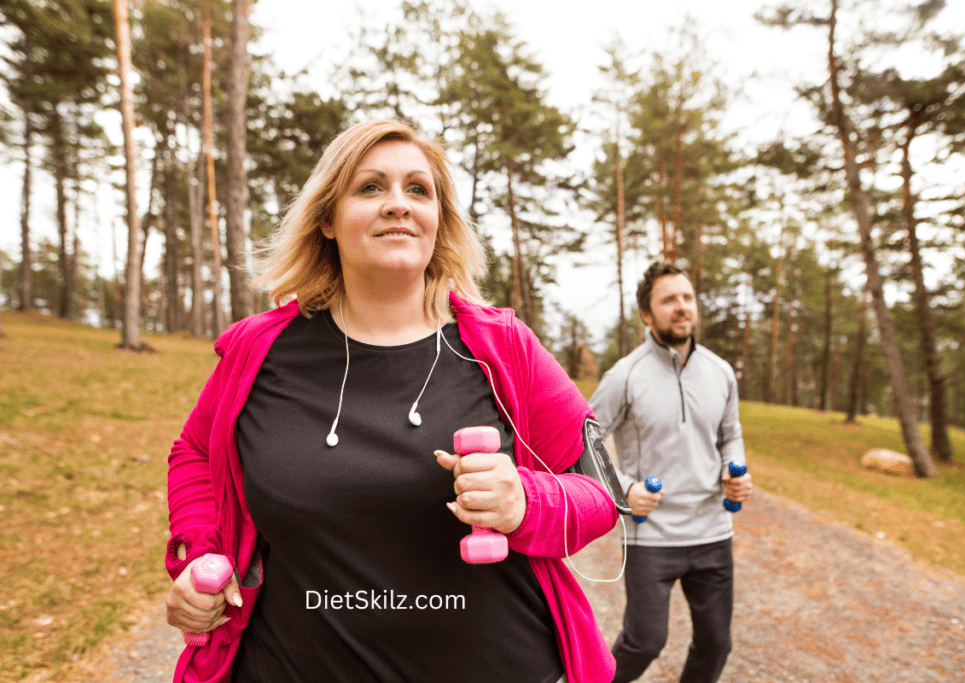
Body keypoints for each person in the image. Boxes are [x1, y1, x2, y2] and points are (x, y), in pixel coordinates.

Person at [163, 119, 619, 683]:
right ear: (326, 219)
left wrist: (527, 501)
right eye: (371, 187)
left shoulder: (504, 348)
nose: (398, 204)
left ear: (437, 222)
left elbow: (600, 495)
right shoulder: (259, 351)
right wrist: (201, 557)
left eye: (418, 190)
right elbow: (194, 453)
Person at [588, 261, 753, 683]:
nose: (681, 307)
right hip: (652, 537)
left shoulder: (721, 372)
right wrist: (624, 489)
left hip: (713, 532)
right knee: (645, 643)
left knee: (717, 643)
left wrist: (738, 471)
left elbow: (730, 433)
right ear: (647, 314)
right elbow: (584, 444)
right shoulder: (624, 376)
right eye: (669, 300)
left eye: (686, 297)